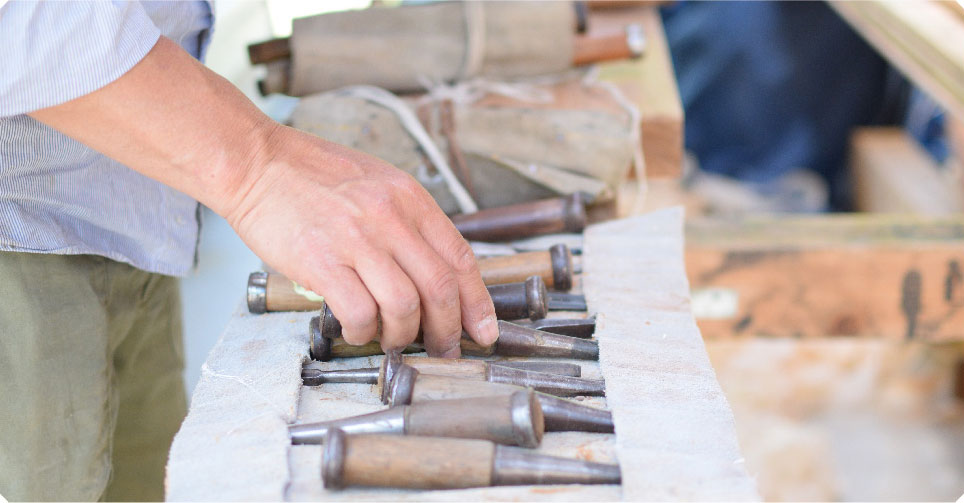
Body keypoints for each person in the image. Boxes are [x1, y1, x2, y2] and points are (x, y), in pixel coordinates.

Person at [0, 2, 497, 501]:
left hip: (140, 203)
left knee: (148, 482)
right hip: (19, 235)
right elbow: (24, 27)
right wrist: (256, 165)